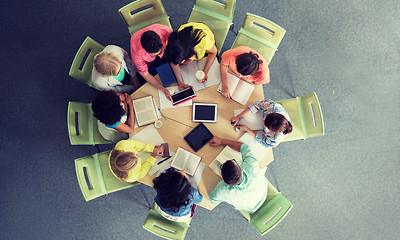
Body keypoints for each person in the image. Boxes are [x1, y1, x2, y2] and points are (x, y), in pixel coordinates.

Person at [208, 136, 269, 213]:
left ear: (224, 180)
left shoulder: (222, 189)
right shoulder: (251, 167)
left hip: (250, 208)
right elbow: (244, 147)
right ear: (241, 170)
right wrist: (221, 141)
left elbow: (212, 200)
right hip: (262, 193)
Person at [130, 24, 180, 101]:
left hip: (167, 55)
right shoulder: (136, 51)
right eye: (156, 55)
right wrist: (163, 89)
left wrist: (180, 82)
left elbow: (172, 53)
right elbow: (145, 73)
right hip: (150, 63)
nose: (160, 56)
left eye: (161, 52)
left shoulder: (166, 31)